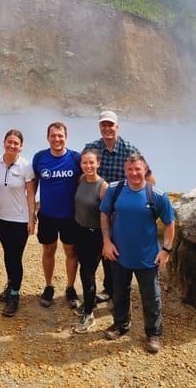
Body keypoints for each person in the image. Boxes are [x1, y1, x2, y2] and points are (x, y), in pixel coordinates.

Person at [100, 153, 175, 353]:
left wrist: (166, 250)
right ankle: (121, 325)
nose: (134, 173)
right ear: (125, 170)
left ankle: (153, 333)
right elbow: (104, 213)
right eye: (130, 169)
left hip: (148, 257)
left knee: (151, 297)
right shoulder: (115, 190)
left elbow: (169, 224)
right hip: (119, 255)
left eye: (138, 169)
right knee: (119, 293)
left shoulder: (157, 195)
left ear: (145, 169)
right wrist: (106, 242)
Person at [84, 110, 140, 303]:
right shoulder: (91, 148)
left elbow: (141, 176)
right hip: (94, 208)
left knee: (116, 249)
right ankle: (106, 289)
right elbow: (82, 173)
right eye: (103, 125)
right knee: (98, 246)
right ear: (100, 127)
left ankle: (117, 290)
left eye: (111, 125)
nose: (107, 128)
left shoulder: (129, 150)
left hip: (119, 209)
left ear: (118, 126)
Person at [32, 122, 81, 310]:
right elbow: (33, 185)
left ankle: (70, 287)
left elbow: (85, 182)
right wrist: (31, 213)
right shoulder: (40, 158)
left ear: (66, 137)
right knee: (48, 250)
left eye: (60, 135)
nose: (57, 139)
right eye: (53, 135)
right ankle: (49, 286)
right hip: (47, 215)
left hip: (70, 216)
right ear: (48, 137)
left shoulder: (75, 158)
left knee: (71, 251)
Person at [0, 129, 36, 317]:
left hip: (20, 219)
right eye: (9, 141)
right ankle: (10, 285)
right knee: (8, 254)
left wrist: (32, 218)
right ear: (4, 142)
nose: (12, 145)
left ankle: (15, 295)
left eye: (16, 143)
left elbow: (31, 194)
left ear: (21, 146)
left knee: (15, 257)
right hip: (1, 218)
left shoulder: (26, 166)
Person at [71, 148, 108, 334]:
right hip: (79, 231)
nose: (88, 166)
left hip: (95, 235)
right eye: (85, 162)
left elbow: (107, 215)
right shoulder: (81, 180)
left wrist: (107, 240)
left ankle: (89, 313)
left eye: (91, 162)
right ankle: (88, 301)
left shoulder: (103, 187)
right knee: (83, 270)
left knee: (88, 273)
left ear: (98, 164)